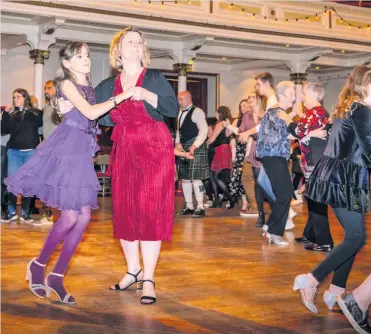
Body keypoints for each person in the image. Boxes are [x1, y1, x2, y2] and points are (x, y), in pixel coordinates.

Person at [5, 41, 134, 305]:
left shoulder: (88, 88)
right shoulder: (66, 84)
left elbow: (91, 117)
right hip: (67, 149)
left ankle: (57, 275)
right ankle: (38, 265)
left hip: (82, 152)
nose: (86, 59)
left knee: (83, 218)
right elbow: (89, 112)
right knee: (71, 215)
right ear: (67, 63)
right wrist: (121, 96)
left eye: (87, 55)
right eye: (79, 56)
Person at [94, 27, 179, 305]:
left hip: (155, 147)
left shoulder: (153, 77)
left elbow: (172, 108)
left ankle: (149, 278)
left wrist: (146, 94)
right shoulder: (108, 84)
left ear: (144, 49)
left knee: (151, 211)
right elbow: (93, 112)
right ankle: (132, 271)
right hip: (125, 149)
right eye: (129, 42)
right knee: (126, 209)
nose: (135, 45)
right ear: (117, 50)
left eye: (139, 42)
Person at [293, 66, 371, 314]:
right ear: (365, 85)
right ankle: (312, 279)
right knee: (356, 237)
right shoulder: (363, 111)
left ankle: (335, 291)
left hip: (340, 177)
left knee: (354, 236)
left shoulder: (352, 108)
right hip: (344, 179)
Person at [279, 81, 334, 252]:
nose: (301, 97)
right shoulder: (319, 113)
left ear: (311, 95)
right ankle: (311, 234)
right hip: (315, 162)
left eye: (303, 93)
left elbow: (296, 130)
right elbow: (302, 132)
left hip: (316, 163)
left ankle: (324, 241)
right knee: (313, 198)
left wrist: (286, 116)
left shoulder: (315, 113)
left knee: (316, 201)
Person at [255, 81, 296, 245]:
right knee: (285, 193)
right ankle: (274, 231)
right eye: (292, 94)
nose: (294, 98)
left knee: (285, 193)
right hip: (274, 157)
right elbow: (293, 133)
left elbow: (284, 134)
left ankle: (271, 226)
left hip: (273, 157)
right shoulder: (278, 112)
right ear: (283, 95)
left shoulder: (277, 112)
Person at [1, 89, 42, 223]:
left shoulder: (36, 113)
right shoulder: (12, 114)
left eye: (18, 97)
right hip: (14, 152)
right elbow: (3, 130)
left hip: (31, 152)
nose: (15, 99)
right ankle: (11, 211)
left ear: (26, 98)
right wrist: (6, 114)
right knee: (12, 182)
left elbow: (46, 127)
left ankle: (26, 213)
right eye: (14, 97)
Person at [175, 91, 209, 218]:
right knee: (185, 178)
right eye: (178, 99)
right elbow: (178, 130)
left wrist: (195, 145)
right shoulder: (179, 113)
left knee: (196, 177)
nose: (179, 102)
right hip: (183, 146)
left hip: (196, 146)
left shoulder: (197, 111)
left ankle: (200, 207)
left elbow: (204, 130)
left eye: (181, 99)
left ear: (189, 98)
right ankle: (189, 206)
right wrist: (178, 143)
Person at [39, 80, 62, 225]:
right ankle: (47, 214)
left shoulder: (62, 107)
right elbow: (45, 128)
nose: (46, 91)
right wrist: (42, 139)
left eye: (49, 88)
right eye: (45, 88)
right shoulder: (47, 108)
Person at [227, 99, 253, 215]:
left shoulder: (252, 119)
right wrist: (229, 124)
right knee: (238, 178)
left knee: (248, 178)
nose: (243, 108)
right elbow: (228, 134)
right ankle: (244, 202)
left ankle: (250, 202)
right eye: (241, 106)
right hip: (239, 150)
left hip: (248, 150)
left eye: (245, 106)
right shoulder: (237, 120)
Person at [207, 106, 234, 208]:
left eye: (216, 113)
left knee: (214, 176)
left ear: (220, 113)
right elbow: (228, 134)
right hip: (225, 149)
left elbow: (212, 139)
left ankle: (231, 198)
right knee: (212, 175)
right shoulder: (226, 123)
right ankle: (217, 200)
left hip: (220, 150)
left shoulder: (219, 124)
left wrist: (202, 145)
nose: (215, 115)